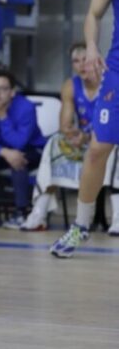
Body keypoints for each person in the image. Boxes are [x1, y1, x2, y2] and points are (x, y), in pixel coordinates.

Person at [51, 0, 119, 256]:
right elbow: (93, 14)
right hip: (117, 73)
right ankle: (81, 226)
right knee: (97, 149)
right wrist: (91, 46)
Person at [23, 43, 114, 231]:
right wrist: (76, 136)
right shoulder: (70, 86)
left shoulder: (112, 83)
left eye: (85, 60)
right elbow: (65, 125)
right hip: (84, 141)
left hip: (107, 141)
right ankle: (39, 212)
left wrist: (89, 137)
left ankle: (118, 217)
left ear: (97, 61)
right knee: (54, 143)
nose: (81, 65)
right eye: (76, 61)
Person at [0, 68, 45, 229]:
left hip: (31, 149)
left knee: (18, 158)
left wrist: (3, 117)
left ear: (12, 92)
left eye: (3, 89)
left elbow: (20, 142)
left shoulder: (26, 107)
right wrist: (4, 152)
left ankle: (21, 212)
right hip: (1, 150)